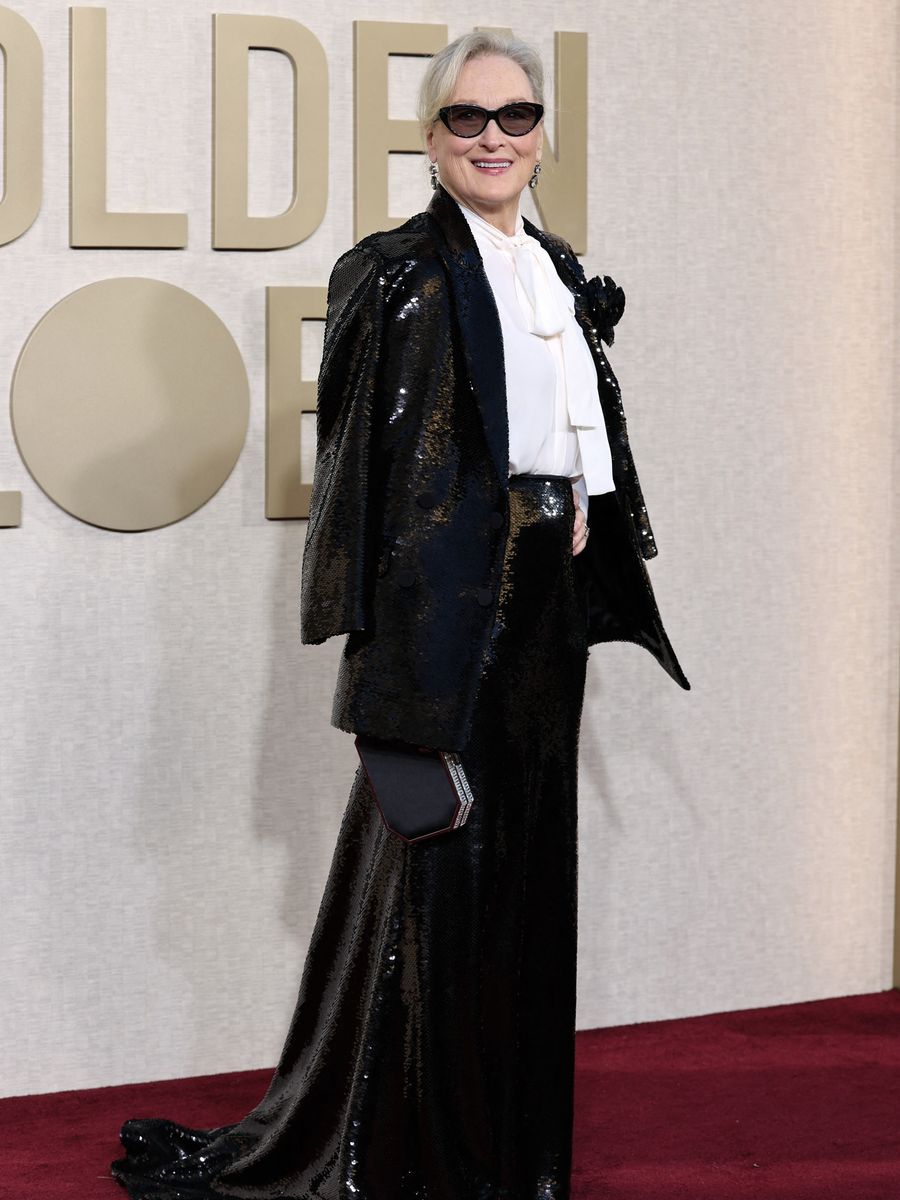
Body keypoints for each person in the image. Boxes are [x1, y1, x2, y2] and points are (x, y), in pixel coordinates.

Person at [110, 30, 689, 1200]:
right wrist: (382, 672)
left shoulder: (561, 272)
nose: (493, 137)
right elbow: (363, 486)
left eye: (515, 117)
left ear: (544, 137)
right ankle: (410, 1153)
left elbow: (569, 434)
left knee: (525, 872)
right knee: (442, 877)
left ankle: (504, 1154)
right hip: (447, 619)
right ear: (431, 139)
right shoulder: (400, 271)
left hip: (542, 617)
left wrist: (575, 504)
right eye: (467, 118)